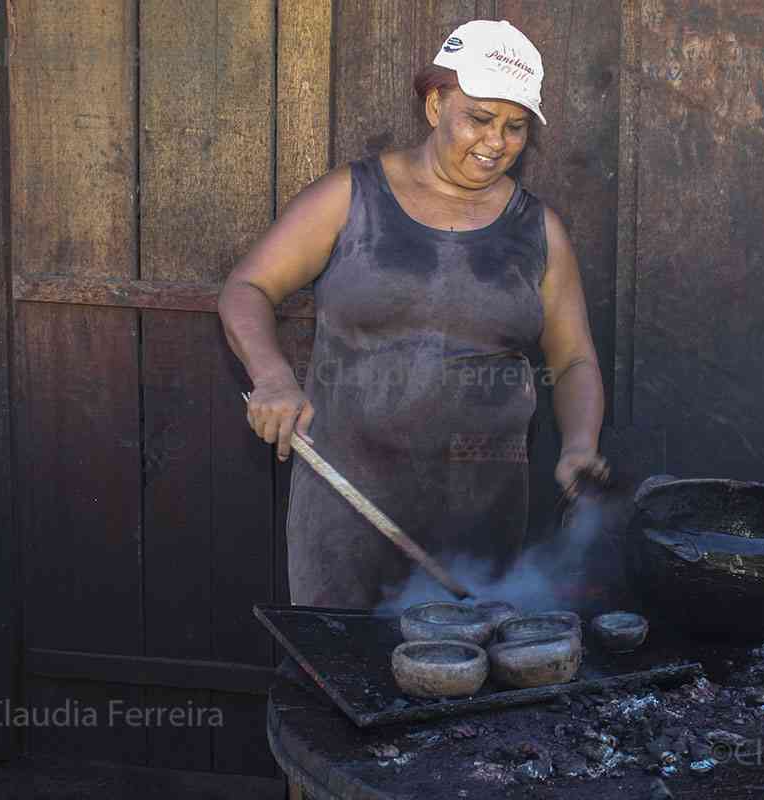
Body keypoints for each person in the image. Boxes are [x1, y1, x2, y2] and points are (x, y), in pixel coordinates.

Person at [217, 19, 607, 608]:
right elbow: (247, 287)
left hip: (481, 515)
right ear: (435, 104)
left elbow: (573, 359)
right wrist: (272, 377)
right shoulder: (351, 197)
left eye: (515, 126)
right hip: (349, 507)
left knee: (471, 660)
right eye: (479, 118)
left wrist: (579, 444)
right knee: (343, 658)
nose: (496, 141)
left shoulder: (538, 230)